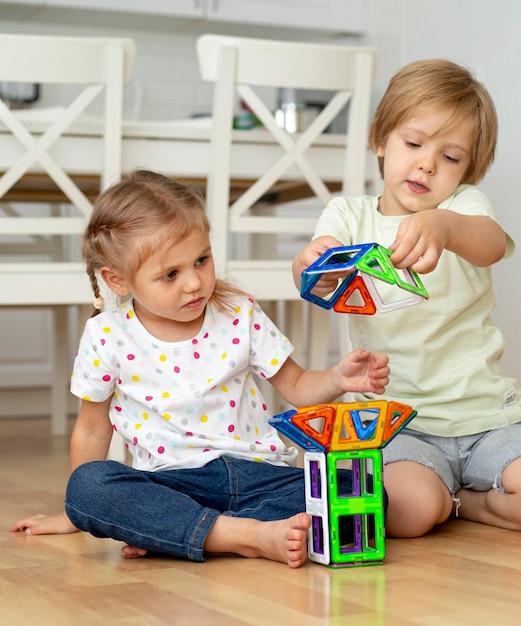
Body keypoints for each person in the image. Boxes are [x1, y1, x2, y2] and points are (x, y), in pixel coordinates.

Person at [10, 169, 390, 568]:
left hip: (260, 476)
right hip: (172, 483)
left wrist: (337, 379)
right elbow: (91, 428)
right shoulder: (107, 335)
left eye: (202, 260)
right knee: (88, 487)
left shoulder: (238, 312)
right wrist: (76, 513)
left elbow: (296, 385)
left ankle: (185, 533)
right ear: (117, 280)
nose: (194, 282)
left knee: (369, 492)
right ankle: (244, 535)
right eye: (170, 274)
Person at [292, 59, 521, 538]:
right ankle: (442, 499)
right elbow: (309, 267)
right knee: (405, 513)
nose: (428, 164)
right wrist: (312, 267)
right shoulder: (347, 214)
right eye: (413, 143)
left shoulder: (463, 208)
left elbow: (489, 243)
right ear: (379, 140)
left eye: (450, 158)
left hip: (487, 418)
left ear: (468, 170)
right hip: (396, 426)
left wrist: (444, 227)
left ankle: (465, 504)